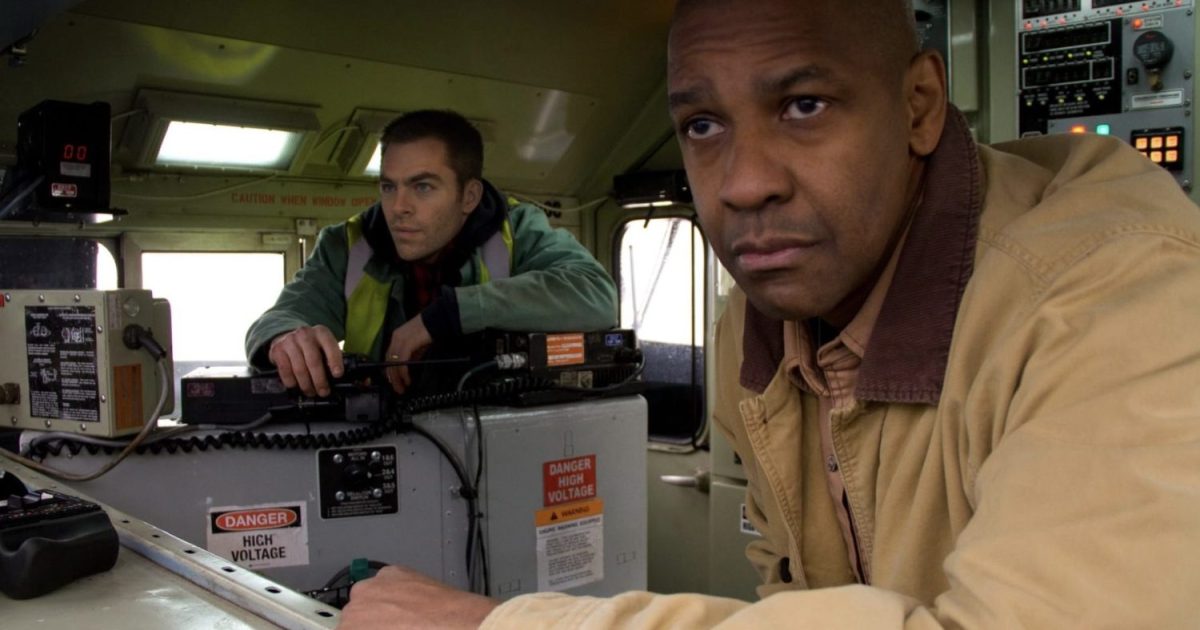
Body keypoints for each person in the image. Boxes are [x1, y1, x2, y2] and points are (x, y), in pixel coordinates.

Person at [339, 0, 1200, 627]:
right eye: (703, 125)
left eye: (803, 106)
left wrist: (500, 625)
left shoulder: (1119, 298)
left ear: (919, 105)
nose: (744, 184)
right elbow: (801, 595)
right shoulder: (753, 331)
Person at [246, 109, 617, 395]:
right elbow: (279, 318)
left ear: (469, 196)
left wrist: (448, 314)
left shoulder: (516, 231)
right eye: (388, 187)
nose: (398, 208)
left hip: (494, 433)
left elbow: (596, 295)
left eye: (422, 187)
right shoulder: (347, 245)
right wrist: (284, 339)